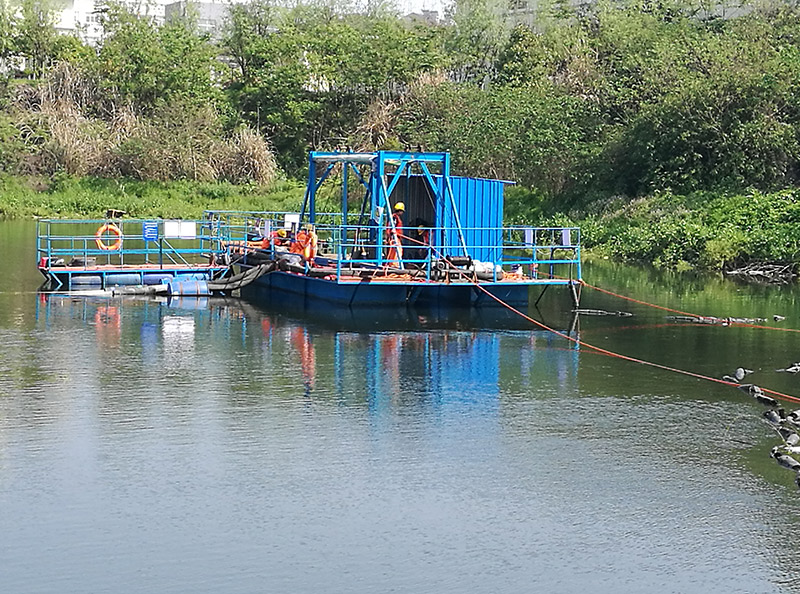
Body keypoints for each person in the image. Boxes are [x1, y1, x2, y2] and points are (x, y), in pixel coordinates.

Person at [386, 202, 404, 266]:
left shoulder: (394, 217)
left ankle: (393, 264)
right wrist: (391, 235)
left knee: (395, 251)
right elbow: (391, 227)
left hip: (396, 236)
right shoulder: (395, 218)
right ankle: (395, 264)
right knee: (398, 250)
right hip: (395, 237)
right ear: (400, 211)